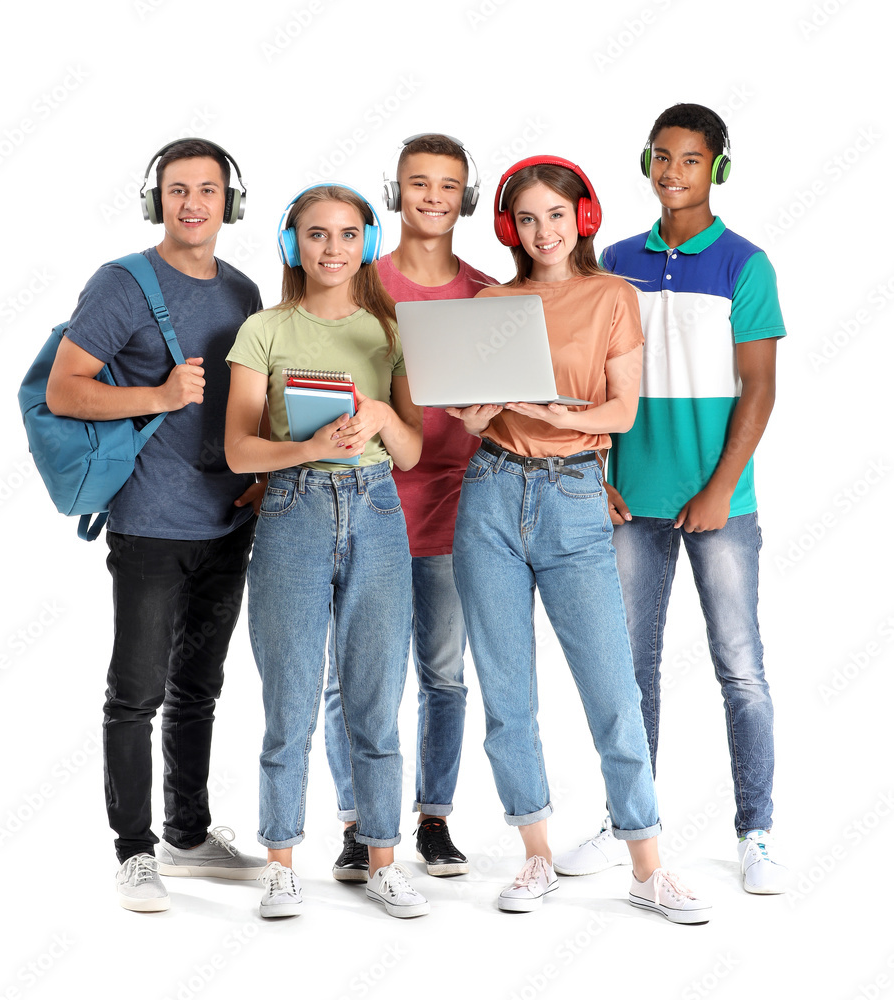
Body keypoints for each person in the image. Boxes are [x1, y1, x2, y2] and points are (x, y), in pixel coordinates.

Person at [448, 155, 710, 923]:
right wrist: (472, 416)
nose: (542, 231)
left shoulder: (611, 297)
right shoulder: (491, 301)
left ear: (582, 218)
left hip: (571, 498)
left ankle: (646, 865)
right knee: (505, 693)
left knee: (612, 692)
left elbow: (622, 412)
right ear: (509, 228)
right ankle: (534, 856)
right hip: (490, 493)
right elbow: (474, 416)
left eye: (555, 215)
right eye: (526, 219)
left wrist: (561, 414)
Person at [554, 105, 788, 895]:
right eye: (661, 157)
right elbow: (590, 383)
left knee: (739, 668)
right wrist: (597, 475)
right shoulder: (612, 262)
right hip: (627, 501)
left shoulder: (744, 265)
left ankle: (755, 833)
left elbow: (759, 386)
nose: (671, 172)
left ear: (715, 168)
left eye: (690, 160)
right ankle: (629, 821)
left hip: (721, 503)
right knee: (625, 670)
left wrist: (721, 487)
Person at [46, 138, 266, 912]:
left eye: (208, 190)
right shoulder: (123, 284)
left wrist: (261, 480)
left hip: (227, 520)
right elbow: (66, 391)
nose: (193, 203)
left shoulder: (243, 291)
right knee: (135, 691)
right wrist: (160, 396)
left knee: (199, 687)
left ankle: (188, 833)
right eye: (178, 190)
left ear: (230, 204)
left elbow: (253, 398)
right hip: (149, 523)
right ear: (156, 200)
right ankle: (134, 851)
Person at [224, 183, 428, 919]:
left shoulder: (390, 331)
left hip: (375, 511)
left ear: (367, 245)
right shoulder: (264, 330)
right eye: (315, 235)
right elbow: (237, 446)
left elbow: (410, 452)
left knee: (375, 702)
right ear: (292, 245)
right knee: (289, 701)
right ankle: (280, 862)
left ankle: (381, 859)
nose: (331, 249)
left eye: (347, 235)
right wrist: (307, 444)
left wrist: (377, 414)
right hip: (292, 509)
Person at [323, 134, 496, 881]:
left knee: (444, 674)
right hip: (363, 508)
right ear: (394, 194)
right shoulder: (359, 283)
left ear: (467, 196)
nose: (432, 196)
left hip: (457, 509)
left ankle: (432, 819)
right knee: (351, 678)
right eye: (417, 183)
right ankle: (360, 824)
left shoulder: (490, 295)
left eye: (447, 184)